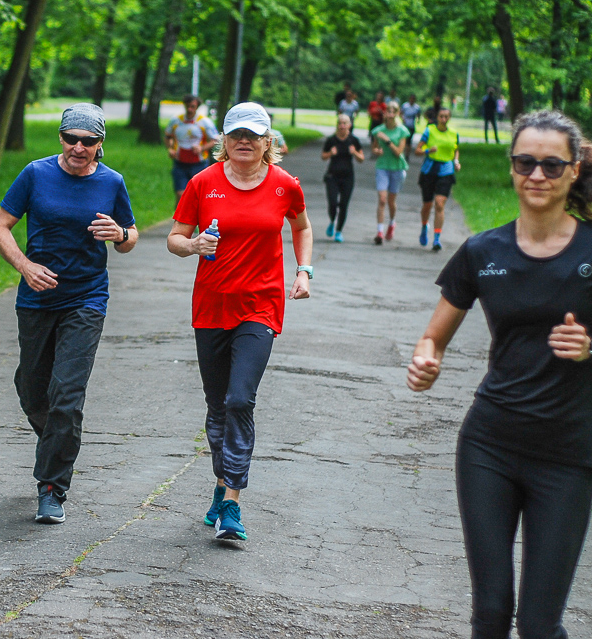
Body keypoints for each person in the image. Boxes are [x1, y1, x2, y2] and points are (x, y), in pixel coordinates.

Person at [406, 110, 592, 639]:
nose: (537, 175)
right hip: (489, 447)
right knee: (490, 614)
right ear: (512, 167)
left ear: (574, 170)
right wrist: (426, 361)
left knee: (539, 625)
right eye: (526, 162)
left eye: (552, 165)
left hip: (566, 453)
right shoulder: (484, 251)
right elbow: (433, 336)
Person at [167, 102, 312, 542]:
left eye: (253, 135)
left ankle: (231, 502)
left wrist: (304, 271)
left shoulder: (285, 186)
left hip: (260, 307)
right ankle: (221, 483)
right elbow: (174, 239)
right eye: (236, 135)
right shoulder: (202, 183)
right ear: (224, 141)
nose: (244, 141)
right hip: (211, 307)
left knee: (239, 400)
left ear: (268, 142)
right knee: (217, 406)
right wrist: (193, 245)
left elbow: (302, 228)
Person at [0, 103, 137, 525]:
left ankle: (52, 487)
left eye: (88, 141)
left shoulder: (111, 182)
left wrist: (120, 234)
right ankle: (56, 438)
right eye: (71, 138)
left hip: (86, 299)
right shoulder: (35, 174)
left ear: (99, 143)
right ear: (61, 137)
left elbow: (130, 236)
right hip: (37, 300)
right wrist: (25, 266)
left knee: (66, 396)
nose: (78, 147)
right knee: (33, 392)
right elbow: (0, 226)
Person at [416, 106, 460, 252]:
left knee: (439, 204)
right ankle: (424, 226)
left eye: (446, 116)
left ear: (449, 118)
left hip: (446, 170)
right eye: (441, 116)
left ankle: (436, 239)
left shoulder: (454, 133)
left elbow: (456, 149)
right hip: (429, 170)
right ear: (437, 117)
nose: (443, 119)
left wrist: (456, 161)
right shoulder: (429, 131)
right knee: (427, 205)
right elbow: (418, 150)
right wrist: (428, 150)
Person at [165, 94, 219, 203]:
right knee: (180, 195)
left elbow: (215, 140)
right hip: (180, 162)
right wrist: (170, 148)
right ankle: (179, 214)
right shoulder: (176, 120)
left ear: (197, 107)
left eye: (192, 107)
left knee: (198, 195)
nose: (190, 109)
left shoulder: (204, 122)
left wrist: (201, 148)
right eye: (187, 106)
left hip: (199, 163)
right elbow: (168, 136)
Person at [321, 113, 365, 243]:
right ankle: (332, 221)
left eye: (344, 123)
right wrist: (330, 153)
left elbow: (361, 158)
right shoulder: (331, 140)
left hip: (348, 177)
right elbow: (323, 156)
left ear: (349, 125)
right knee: (333, 203)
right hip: (332, 176)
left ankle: (339, 231)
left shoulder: (353, 140)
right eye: (340, 123)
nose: (342, 126)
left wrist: (354, 152)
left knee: (344, 204)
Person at [370, 102, 410, 244]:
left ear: (398, 114)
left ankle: (392, 223)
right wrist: (377, 151)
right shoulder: (378, 131)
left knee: (391, 201)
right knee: (382, 199)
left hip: (397, 168)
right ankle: (380, 232)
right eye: (389, 111)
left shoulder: (402, 131)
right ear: (385, 113)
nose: (391, 114)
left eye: (394, 112)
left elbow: (399, 152)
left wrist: (387, 141)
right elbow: (374, 148)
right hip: (382, 167)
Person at [400, 94, 422, 160]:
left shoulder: (417, 107)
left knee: (409, 141)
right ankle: (401, 153)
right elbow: (400, 112)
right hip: (405, 125)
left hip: (412, 125)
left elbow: (419, 114)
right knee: (403, 140)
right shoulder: (405, 105)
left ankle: (407, 155)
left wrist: (418, 120)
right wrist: (403, 118)